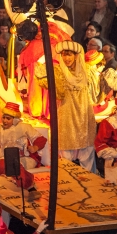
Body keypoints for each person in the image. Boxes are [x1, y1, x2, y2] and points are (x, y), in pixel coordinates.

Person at [36, 41, 97, 172]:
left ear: (76, 55)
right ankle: (67, 183)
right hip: (66, 116)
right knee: (65, 155)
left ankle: (92, 185)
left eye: (69, 55)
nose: (66, 58)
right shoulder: (58, 72)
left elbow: (97, 93)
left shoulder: (87, 71)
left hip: (84, 115)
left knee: (87, 153)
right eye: (63, 55)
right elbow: (45, 82)